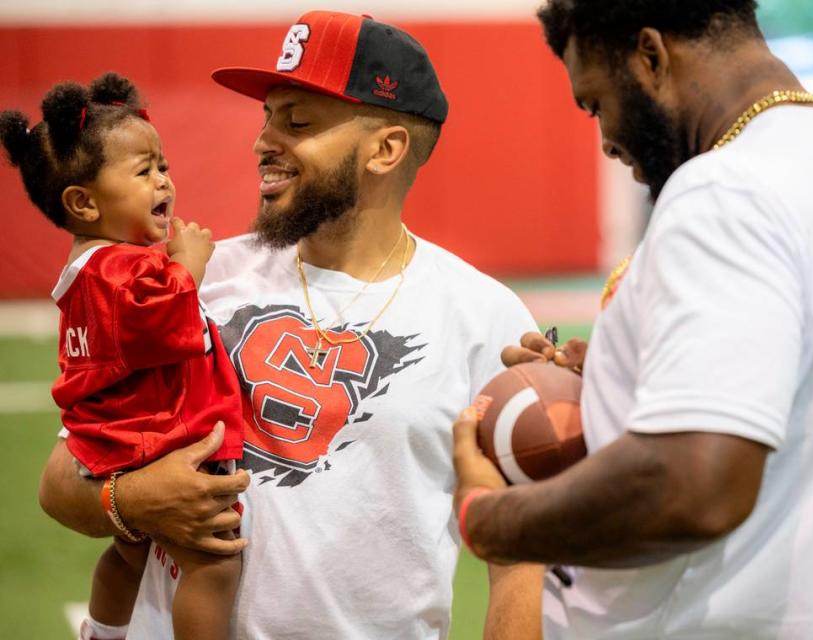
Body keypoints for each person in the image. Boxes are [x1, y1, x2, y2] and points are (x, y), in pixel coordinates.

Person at [37, 11, 544, 640]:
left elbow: (521, 553)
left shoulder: (484, 316)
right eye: (267, 116)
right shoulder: (188, 279)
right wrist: (131, 500)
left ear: (385, 150)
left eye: (297, 122)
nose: (263, 142)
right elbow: (62, 481)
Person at [452, 1, 813, 638]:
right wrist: (618, 389)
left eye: (597, 103)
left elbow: (695, 486)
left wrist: (491, 518)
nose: (604, 139)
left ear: (651, 56)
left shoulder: (724, 191)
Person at [1, 73, 245, 640]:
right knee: (214, 563)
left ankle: (105, 633)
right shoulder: (123, 268)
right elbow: (159, 324)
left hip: (111, 438)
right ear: (84, 202)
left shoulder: (85, 267)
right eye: (144, 171)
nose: (165, 180)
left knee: (129, 551)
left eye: (163, 166)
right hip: (154, 437)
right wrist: (189, 264)